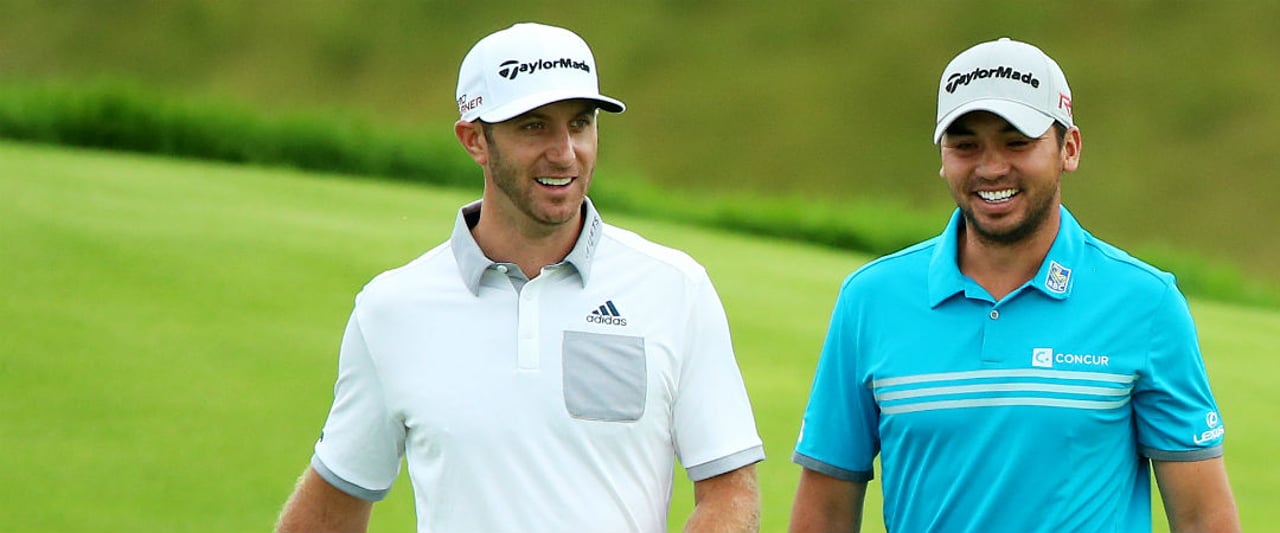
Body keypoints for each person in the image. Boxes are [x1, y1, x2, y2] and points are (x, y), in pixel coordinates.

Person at [275, 22, 764, 533]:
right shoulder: (391, 309)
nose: (564, 152)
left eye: (579, 124)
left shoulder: (675, 288)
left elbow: (729, 491)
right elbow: (331, 508)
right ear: (474, 140)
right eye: (533, 126)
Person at [788, 37, 1240, 533]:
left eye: (1017, 142)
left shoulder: (1146, 304)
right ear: (943, 157)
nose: (991, 167)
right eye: (965, 145)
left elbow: (1203, 519)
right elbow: (824, 513)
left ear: (1069, 149)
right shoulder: (870, 300)